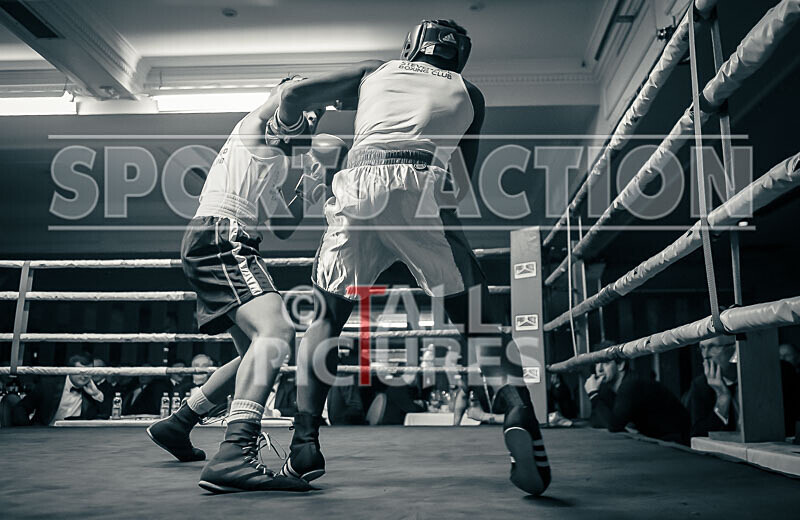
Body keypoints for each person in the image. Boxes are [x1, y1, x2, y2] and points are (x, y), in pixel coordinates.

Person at [270, 19, 550, 495]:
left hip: (358, 181)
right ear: (458, 55)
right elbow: (461, 184)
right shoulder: (471, 94)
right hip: (424, 183)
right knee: (476, 316)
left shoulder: (372, 72)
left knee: (326, 315)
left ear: (409, 48)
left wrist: (296, 128)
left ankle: (303, 444)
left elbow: (291, 96)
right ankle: (518, 408)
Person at [146, 75, 345, 493]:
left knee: (257, 352)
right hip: (223, 234)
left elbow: (284, 227)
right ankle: (234, 454)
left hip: (229, 238)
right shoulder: (258, 121)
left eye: (319, 113)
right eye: (310, 108)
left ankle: (179, 421)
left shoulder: (275, 160)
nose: (312, 118)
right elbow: (290, 96)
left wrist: (318, 179)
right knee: (277, 333)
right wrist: (365, 73)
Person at [687, 336, 799, 438]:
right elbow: (699, 435)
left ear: (737, 349)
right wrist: (722, 397)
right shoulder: (701, 385)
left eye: (713, 347)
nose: (705, 355)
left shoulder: (780, 372)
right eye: (702, 348)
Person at [584, 354, 691, 445]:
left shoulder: (630, 384)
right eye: (597, 363)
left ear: (620, 365)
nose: (599, 369)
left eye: (606, 363)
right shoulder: (613, 388)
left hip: (677, 440)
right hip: (661, 439)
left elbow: (614, 426)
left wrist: (593, 394)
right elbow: (596, 421)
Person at [11, 353, 105, 425]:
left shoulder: (91, 390)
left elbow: (106, 415)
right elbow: (21, 409)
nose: (85, 376)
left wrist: (96, 394)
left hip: (76, 439)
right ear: (69, 370)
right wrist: (28, 432)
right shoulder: (48, 385)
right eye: (80, 371)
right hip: (45, 435)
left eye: (89, 372)